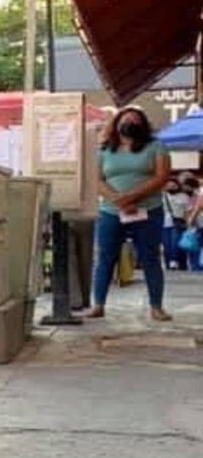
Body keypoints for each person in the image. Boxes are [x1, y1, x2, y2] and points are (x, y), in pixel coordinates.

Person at [86, 107, 172, 320]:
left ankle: (156, 307)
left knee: (150, 258)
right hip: (111, 212)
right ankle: (98, 305)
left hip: (148, 210)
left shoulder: (156, 146)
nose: (131, 122)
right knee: (105, 258)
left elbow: (161, 176)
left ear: (143, 125)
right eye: (126, 119)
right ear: (116, 124)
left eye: (136, 119)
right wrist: (118, 200)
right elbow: (96, 180)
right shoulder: (105, 150)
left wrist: (133, 197)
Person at [162, 176, 191, 271]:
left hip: (178, 223)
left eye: (173, 185)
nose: (171, 187)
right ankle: (168, 264)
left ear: (178, 186)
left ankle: (177, 262)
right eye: (168, 185)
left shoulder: (184, 197)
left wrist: (189, 224)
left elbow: (187, 212)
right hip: (163, 224)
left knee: (175, 243)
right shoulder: (162, 196)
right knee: (167, 245)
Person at [183, 174, 203, 273]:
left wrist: (191, 219)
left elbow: (199, 206)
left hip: (199, 222)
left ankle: (197, 266)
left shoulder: (200, 192)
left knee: (197, 244)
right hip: (199, 222)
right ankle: (196, 265)